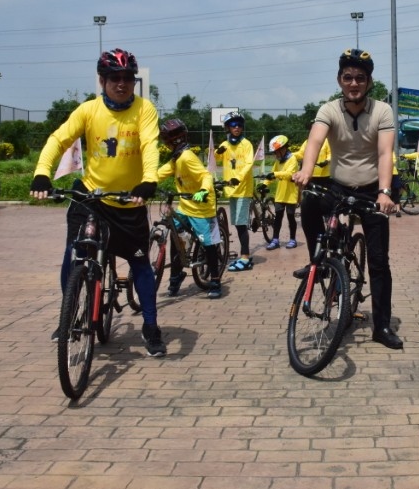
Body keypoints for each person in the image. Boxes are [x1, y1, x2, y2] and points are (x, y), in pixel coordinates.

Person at [30, 48, 166, 357]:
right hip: (91, 195)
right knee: (74, 253)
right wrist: (41, 173)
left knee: (140, 263)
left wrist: (148, 181)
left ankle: (150, 326)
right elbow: (58, 139)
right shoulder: (88, 110)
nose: (122, 84)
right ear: (102, 81)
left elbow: (149, 145)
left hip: (129, 200)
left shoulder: (144, 109)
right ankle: (70, 316)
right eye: (114, 78)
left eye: (128, 78)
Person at [292, 48, 401, 350]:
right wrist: (306, 170)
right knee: (310, 200)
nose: (354, 83)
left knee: (379, 262)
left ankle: (381, 326)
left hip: (371, 189)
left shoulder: (382, 111)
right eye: (348, 77)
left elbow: (384, 153)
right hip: (339, 186)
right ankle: (321, 259)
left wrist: (384, 192)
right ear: (339, 80)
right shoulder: (329, 110)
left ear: (369, 82)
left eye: (360, 78)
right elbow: (315, 141)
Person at [156, 118, 224, 299]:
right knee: (176, 237)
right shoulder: (176, 158)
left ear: (171, 141)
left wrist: (202, 191)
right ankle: (176, 275)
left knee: (208, 244)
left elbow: (205, 176)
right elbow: (159, 174)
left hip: (201, 207)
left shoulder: (187, 157)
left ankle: (215, 280)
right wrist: (142, 184)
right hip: (186, 206)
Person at [216, 111, 256, 272]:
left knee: (241, 225)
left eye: (239, 124)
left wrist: (238, 178)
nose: (237, 127)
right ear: (227, 127)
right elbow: (215, 159)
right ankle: (243, 255)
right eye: (233, 125)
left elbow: (248, 164)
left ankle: (245, 257)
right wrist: (216, 152)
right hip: (230, 189)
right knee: (237, 224)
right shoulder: (225, 145)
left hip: (243, 189)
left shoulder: (246, 144)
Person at [263, 135, 300, 250]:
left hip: (291, 193)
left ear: (283, 148)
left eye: (276, 151)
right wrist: (264, 184)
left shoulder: (292, 159)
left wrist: (275, 174)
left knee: (290, 217)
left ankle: (293, 239)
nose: (275, 154)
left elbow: (289, 174)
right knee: (278, 217)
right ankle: (275, 240)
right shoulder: (278, 161)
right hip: (280, 193)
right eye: (274, 152)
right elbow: (272, 174)